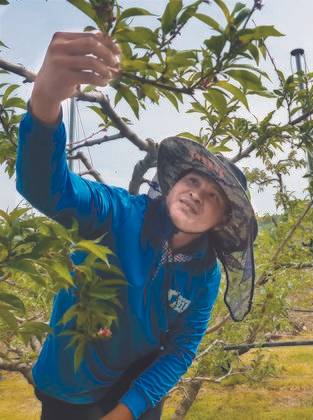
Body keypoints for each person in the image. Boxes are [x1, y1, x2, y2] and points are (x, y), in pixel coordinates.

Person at [16, 31, 257, 420]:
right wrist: (45, 101)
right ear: (171, 185)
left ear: (222, 220)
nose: (198, 194)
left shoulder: (204, 272)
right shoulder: (119, 211)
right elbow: (47, 188)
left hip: (136, 389)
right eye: (193, 182)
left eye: (214, 196)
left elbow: (181, 349)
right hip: (67, 387)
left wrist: (128, 410)